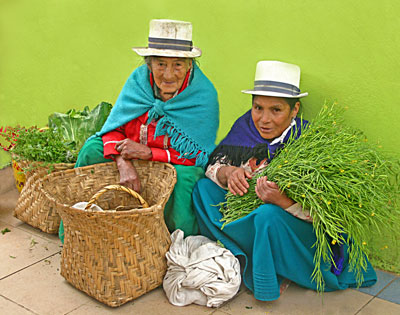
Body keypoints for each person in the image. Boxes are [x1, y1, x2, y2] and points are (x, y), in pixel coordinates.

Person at [192, 61, 377, 301]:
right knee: (203, 190)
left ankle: (274, 271)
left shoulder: (308, 142)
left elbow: (326, 214)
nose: (264, 119)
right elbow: (215, 164)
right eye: (258, 107)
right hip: (249, 215)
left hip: (289, 225)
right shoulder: (244, 126)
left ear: (295, 109)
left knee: (267, 216)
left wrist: (283, 201)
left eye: (276, 110)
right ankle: (242, 253)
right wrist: (228, 173)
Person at [59, 19, 219, 243]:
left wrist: (149, 153)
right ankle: (79, 229)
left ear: (190, 65)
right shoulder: (138, 83)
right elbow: (115, 127)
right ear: (149, 63)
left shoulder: (203, 96)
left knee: (184, 178)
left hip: (173, 161)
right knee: (91, 150)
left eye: (178, 65)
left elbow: (196, 155)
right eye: (160, 64)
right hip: (129, 152)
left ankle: (171, 244)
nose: (169, 74)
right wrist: (122, 162)